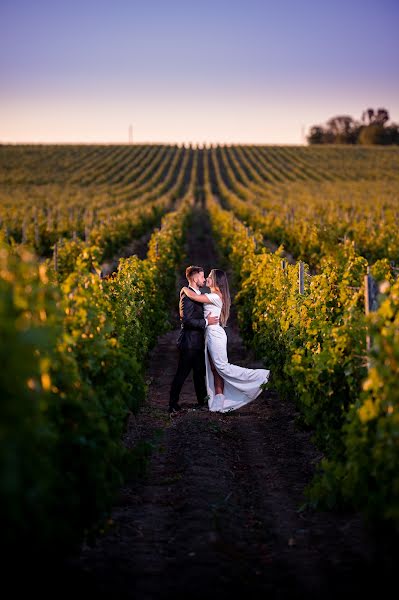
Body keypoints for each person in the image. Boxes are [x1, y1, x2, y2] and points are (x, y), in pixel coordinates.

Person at [181, 269, 270, 413]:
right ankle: (219, 398)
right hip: (210, 334)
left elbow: (193, 296)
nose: (207, 279)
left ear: (216, 280)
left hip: (215, 334)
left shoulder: (216, 296)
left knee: (222, 367)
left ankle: (259, 376)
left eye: (209, 276)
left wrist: (184, 288)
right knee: (214, 369)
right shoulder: (212, 294)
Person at [169, 266, 219, 414]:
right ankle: (172, 404)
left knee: (199, 373)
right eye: (202, 277)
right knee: (182, 373)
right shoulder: (186, 296)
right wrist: (206, 322)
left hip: (197, 343)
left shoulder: (194, 293)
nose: (204, 280)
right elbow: (186, 320)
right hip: (189, 342)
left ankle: (202, 402)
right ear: (195, 278)